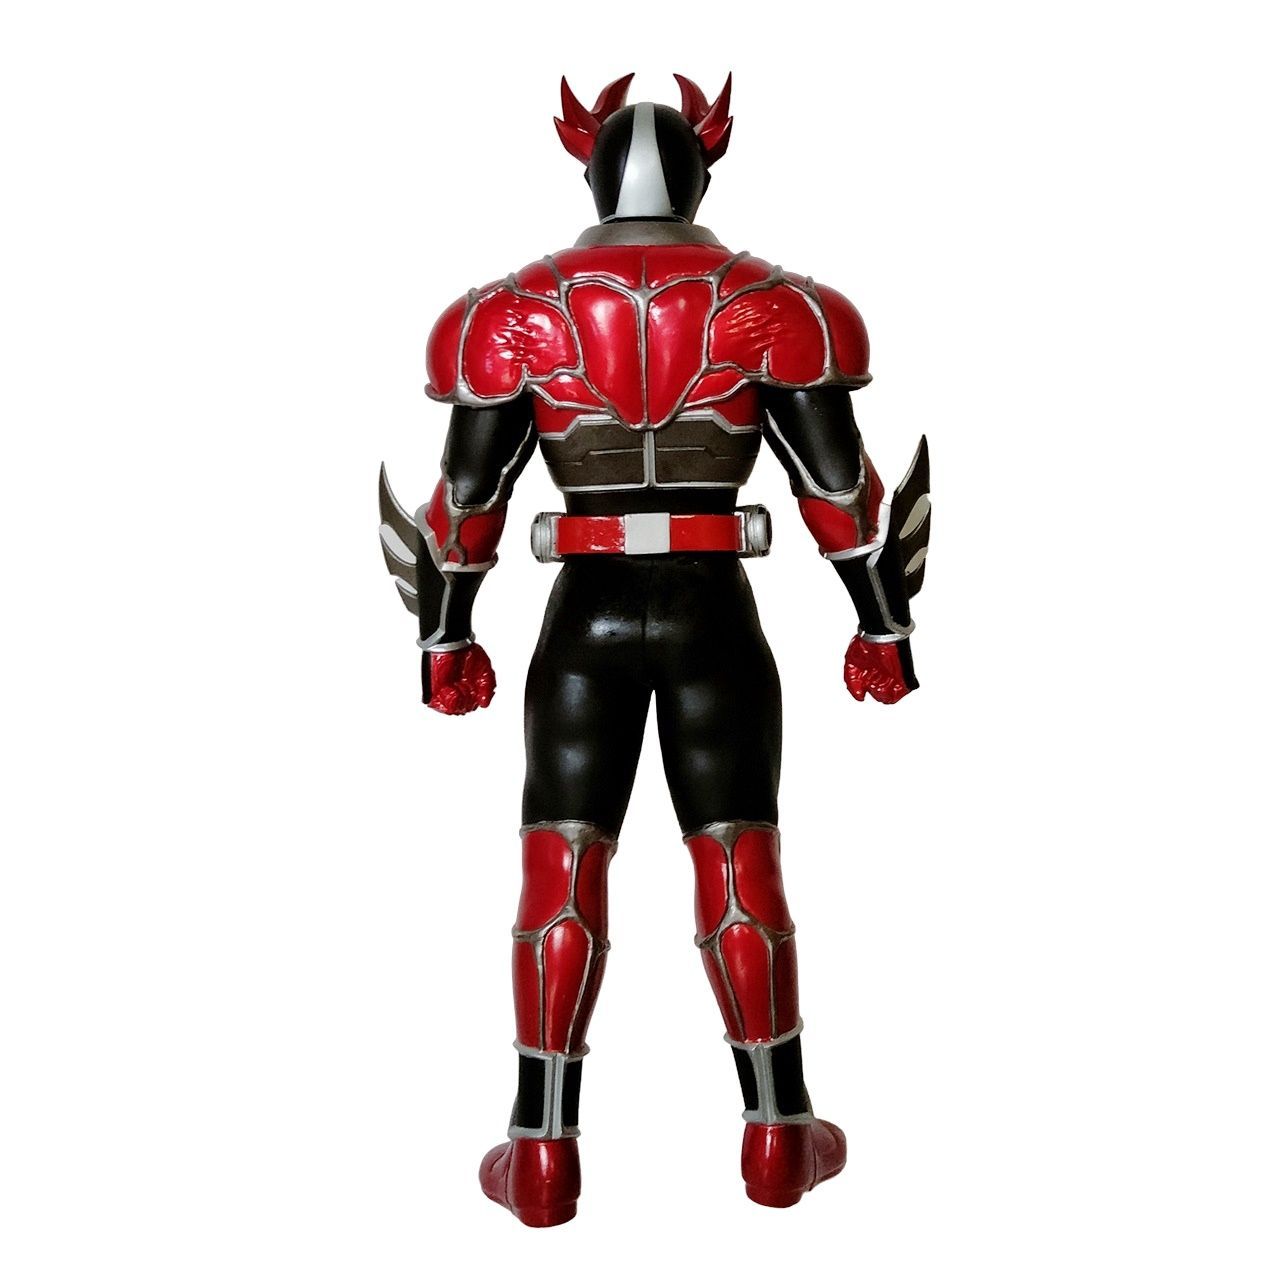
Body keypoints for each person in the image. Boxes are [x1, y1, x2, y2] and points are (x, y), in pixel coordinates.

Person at [379, 73, 930, 1227]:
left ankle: (540, 1147)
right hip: (710, 606)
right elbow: (840, 496)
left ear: (587, 170)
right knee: (738, 855)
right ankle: (778, 1130)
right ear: (701, 171)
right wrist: (879, 623)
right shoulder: (783, 306)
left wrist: (444, 635)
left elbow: (464, 502)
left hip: (582, 611)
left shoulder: (509, 312)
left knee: (558, 861)